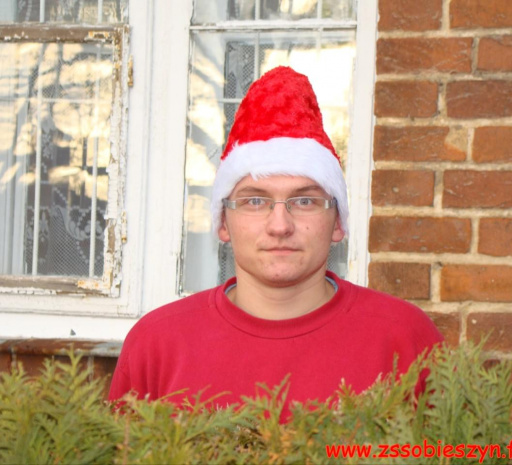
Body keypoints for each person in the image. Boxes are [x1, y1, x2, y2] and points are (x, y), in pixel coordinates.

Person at [108, 67, 443, 413]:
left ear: (338, 223)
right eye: (255, 201)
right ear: (223, 223)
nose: (280, 225)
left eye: (305, 201)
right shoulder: (156, 345)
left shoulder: (406, 340)